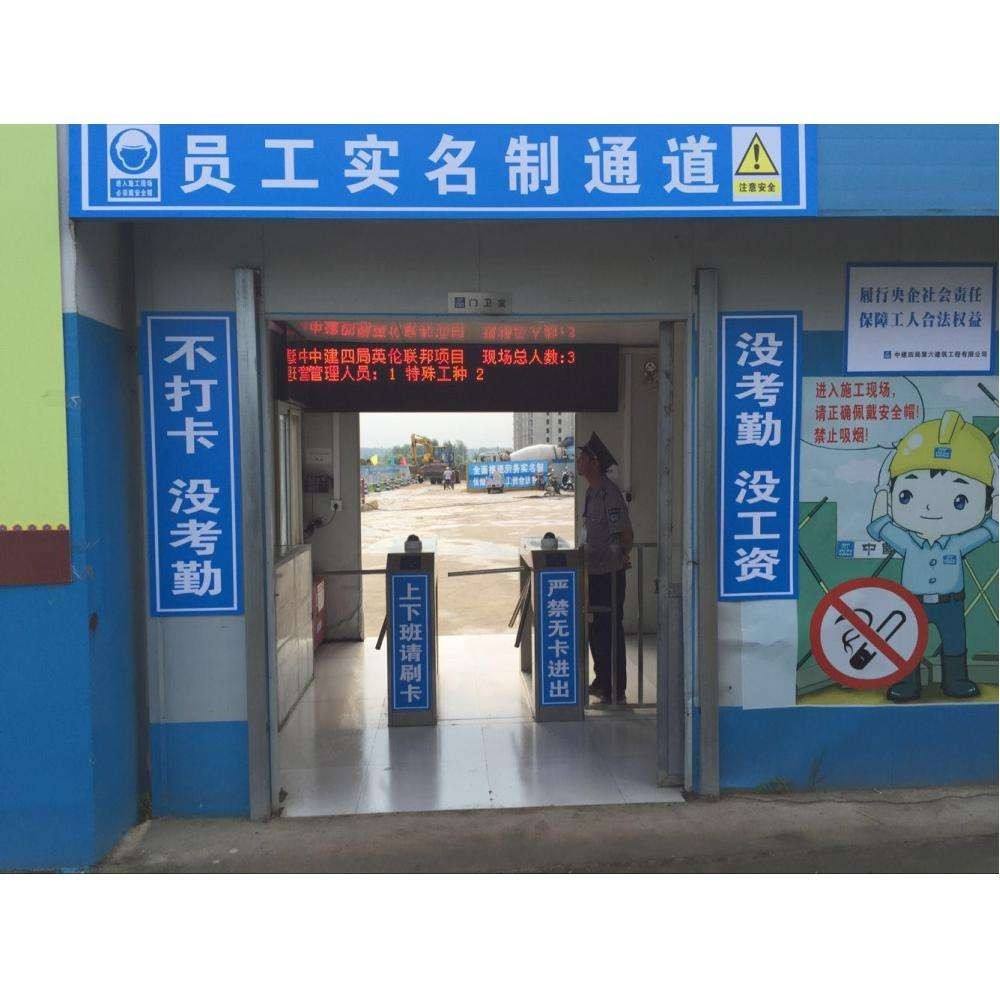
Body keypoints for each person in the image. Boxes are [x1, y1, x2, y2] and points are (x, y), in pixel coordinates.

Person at [867, 410, 997, 702]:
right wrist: (882, 485)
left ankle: (956, 681)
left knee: (954, 642)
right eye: (907, 495)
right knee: (908, 642)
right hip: (912, 601)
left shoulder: (958, 543)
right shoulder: (906, 541)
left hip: (951, 603)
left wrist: (998, 488)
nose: (930, 508)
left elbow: (994, 528)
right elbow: (878, 526)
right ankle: (907, 683)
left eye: (960, 500)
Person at [578, 431, 633, 704]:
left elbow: (624, 534)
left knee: (610, 630)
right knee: (596, 630)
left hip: (609, 574)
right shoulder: (591, 492)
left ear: (595, 463)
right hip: (594, 572)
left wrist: (618, 558)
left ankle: (615, 688)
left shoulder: (609, 494)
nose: (578, 461)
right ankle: (602, 680)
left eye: (583, 458)